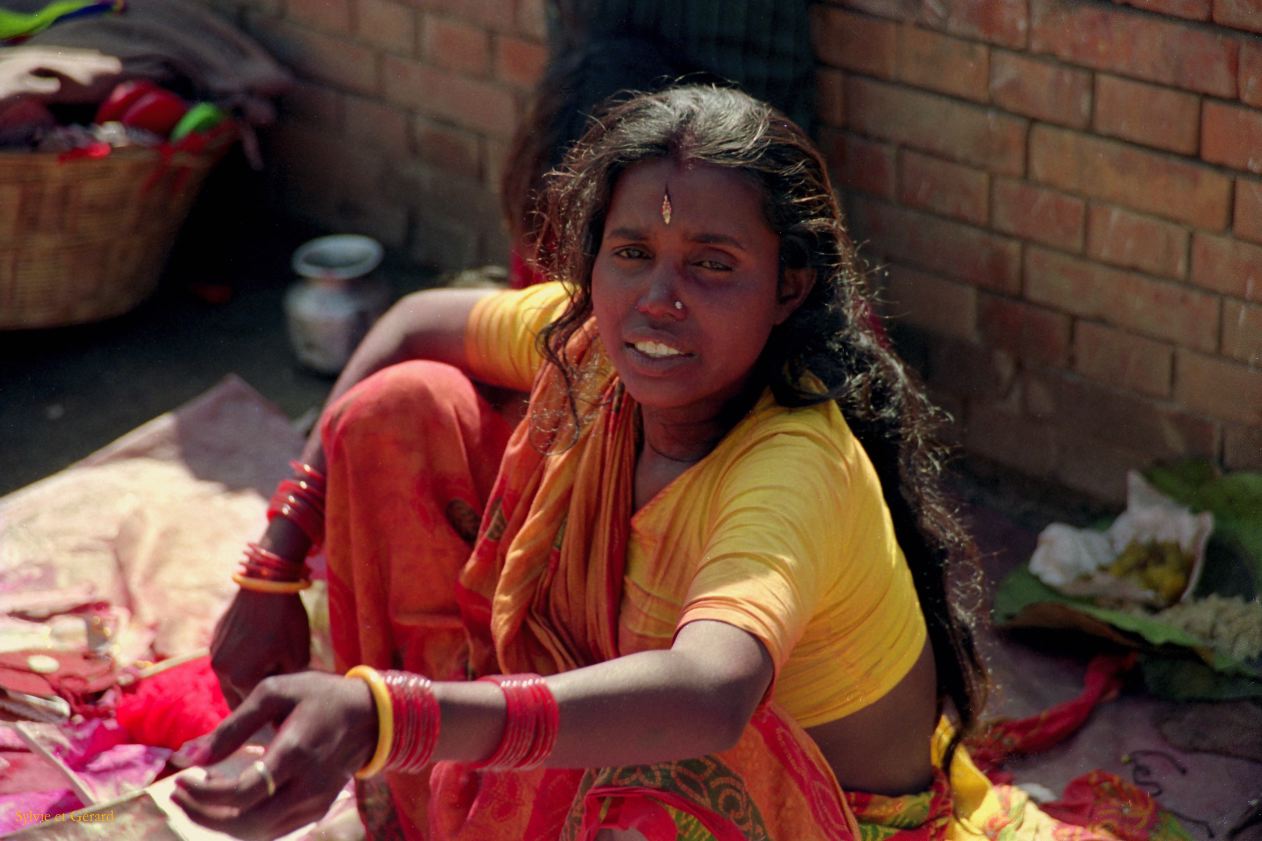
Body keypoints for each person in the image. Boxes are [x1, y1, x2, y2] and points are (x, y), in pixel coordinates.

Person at [175, 84, 1005, 840]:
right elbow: (413, 320)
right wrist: (274, 562)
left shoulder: (791, 463)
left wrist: (391, 715)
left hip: (802, 819)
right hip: (639, 757)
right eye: (632, 252)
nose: (658, 299)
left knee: (626, 719)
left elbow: (709, 694)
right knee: (403, 409)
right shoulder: (593, 347)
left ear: (789, 288)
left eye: (713, 264)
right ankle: (435, 814)